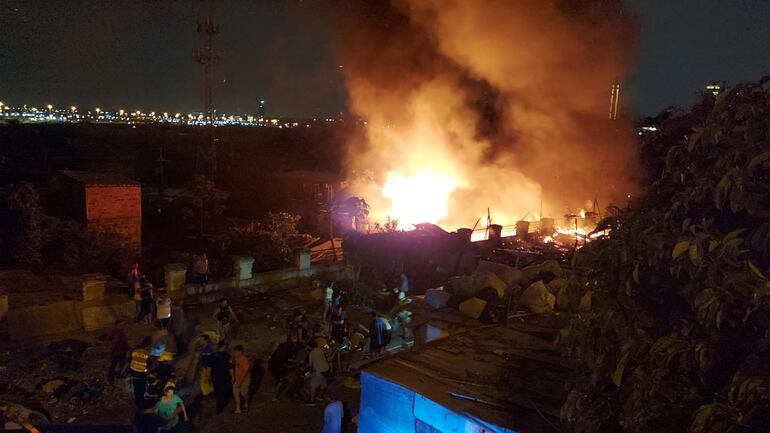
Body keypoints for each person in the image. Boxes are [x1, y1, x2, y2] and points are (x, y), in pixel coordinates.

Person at [269, 335, 299, 400]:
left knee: (279, 378)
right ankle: (274, 396)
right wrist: (291, 366)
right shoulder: (287, 349)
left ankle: (274, 387)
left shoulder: (282, 346)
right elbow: (283, 361)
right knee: (282, 381)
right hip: (278, 366)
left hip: (273, 365)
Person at [129, 337, 153, 413]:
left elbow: (129, 360)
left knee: (136, 387)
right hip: (142, 374)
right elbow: (149, 364)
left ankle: (137, 400)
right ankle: (141, 403)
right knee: (141, 389)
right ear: (148, 345)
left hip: (133, 372)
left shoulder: (134, 351)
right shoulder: (147, 354)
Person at [103, 320, 130, 385]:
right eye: (121, 325)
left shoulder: (114, 332)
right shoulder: (118, 333)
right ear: (117, 325)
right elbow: (120, 343)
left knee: (115, 364)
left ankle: (112, 378)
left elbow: (109, 339)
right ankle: (116, 377)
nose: (123, 326)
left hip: (117, 351)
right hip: (119, 351)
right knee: (118, 364)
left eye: (123, 324)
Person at [209, 342, 232, 414]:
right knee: (224, 391)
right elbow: (230, 367)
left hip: (215, 377)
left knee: (218, 392)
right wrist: (233, 376)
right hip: (225, 376)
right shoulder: (227, 356)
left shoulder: (212, 356)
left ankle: (219, 407)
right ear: (223, 347)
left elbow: (209, 367)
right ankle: (221, 405)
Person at [307, 338, 330, 403]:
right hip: (326, 369)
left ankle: (312, 400)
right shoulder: (320, 350)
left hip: (319, 370)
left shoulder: (311, 353)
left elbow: (310, 364)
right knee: (323, 383)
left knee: (313, 385)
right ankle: (320, 396)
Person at [230, 345, 251, 414]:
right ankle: (238, 409)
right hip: (237, 379)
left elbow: (245, 373)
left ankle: (246, 404)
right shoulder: (235, 358)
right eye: (234, 351)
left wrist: (240, 382)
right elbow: (232, 365)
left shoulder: (244, 359)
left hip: (245, 380)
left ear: (240, 352)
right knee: (236, 393)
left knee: (244, 393)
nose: (234, 353)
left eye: (236, 352)